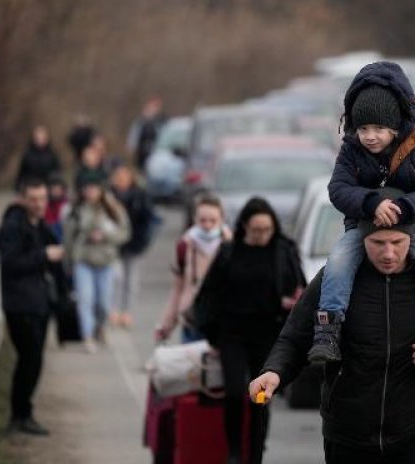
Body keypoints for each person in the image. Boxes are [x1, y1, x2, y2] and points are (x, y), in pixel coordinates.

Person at [248, 206, 415, 464]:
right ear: (361, 239)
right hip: (349, 434)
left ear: (411, 239)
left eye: (397, 242)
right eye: (378, 243)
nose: (388, 253)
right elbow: (295, 338)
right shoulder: (334, 280)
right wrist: (274, 372)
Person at [310, 62, 415, 377]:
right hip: (363, 230)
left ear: (395, 127)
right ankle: (328, 329)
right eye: (363, 129)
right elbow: (338, 189)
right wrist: (370, 202)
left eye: (378, 129)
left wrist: (405, 208)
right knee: (338, 261)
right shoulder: (350, 151)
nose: (370, 137)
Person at [193, 197, 305, 464]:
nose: (262, 235)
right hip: (232, 333)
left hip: (269, 334)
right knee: (234, 392)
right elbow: (209, 294)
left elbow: (300, 288)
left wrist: (291, 300)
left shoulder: (283, 250)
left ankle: (256, 452)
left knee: (261, 396)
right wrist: (211, 333)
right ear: (244, 226)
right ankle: (233, 450)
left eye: (267, 230)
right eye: (256, 230)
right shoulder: (229, 251)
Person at [0, 178, 68, 435]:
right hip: (20, 303)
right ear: (22, 199)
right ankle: (20, 415)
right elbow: (10, 263)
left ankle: (23, 413)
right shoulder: (13, 226)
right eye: (33, 199)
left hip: (38, 302)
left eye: (42, 199)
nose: (39, 204)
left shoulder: (41, 226)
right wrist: (43, 256)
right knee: (29, 360)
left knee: (34, 360)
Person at [64, 172, 130, 353]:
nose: (90, 192)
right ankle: (87, 335)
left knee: (104, 302)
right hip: (83, 260)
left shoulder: (112, 209)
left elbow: (125, 233)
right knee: (85, 300)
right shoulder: (76, 210)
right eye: (87, 188)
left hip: (106, 261)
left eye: (94, 188)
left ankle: (101, 327)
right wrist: (68, 262)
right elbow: (68, 238)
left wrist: (105, 236)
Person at [155, 194, 232, 343]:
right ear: (194, 219)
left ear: (222, 219)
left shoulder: (231, 246)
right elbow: (177, 290)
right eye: (203, 220)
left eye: (213, 220)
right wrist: (165, 326)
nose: (208, 225)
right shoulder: (184, 245)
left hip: (222, 323)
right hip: (192, 321)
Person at [109, 164, 157, 328]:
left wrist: (142, 240)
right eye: (118, 176)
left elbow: (148, 220)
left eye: (124, 176)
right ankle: (113, 310)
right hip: (114, 244)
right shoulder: (109, 196)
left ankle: (126, 312)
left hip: (134, 244)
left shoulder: (140, 195)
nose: (121, 180)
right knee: (116, 278)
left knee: (131, 279)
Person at [15, 125, 61, 191]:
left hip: (47, 187)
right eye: (38, 138)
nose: (40, 141)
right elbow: (22, 174)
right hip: (31, 187)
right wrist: (19, 186)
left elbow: (57, 172)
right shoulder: (27, 155)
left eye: (42, 138)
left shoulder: (52, 155)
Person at [127, 96, 167, 169]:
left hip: (156, 152)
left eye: (157, 106)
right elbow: (134, 135)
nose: (155, 109)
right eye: (154, 106)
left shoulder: (162, 121)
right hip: (141, 152)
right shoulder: (140, 120)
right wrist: (131, 148)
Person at [45, 175, 69, 242]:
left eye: (58, 189)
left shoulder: (67, 205)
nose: (56, 191)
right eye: (54, 189)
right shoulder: (45, 204)